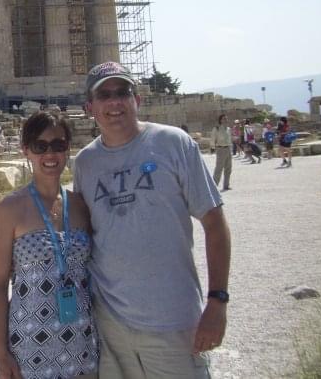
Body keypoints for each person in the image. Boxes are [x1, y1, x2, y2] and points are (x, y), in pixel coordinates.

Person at [74, 62, 231, 378]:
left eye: (123, 92)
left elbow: (214, 222)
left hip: (172, 320)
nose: (115, 102)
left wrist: (218, 301)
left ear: (137, 99)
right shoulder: (85, 163)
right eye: (104, 95)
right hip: (110, 325)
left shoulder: (173, 143)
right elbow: (87, 236)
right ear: (90, 107)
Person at [0, 112, 98, 378]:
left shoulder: (81, 207)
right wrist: (1, 353)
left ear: (67, 149)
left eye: (58, 145)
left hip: (82, 341)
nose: (50, 154)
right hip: (30, 343)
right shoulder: (8, 211)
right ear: (26, 150)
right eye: (40, 146)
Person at [211, 114, 233, 191]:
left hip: (228, 149)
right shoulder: (216, 129)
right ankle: (214, 186)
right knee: (219, 168)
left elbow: (229, 139)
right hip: (220, 149)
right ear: (220, 120)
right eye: (224, 119)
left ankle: (226, 185)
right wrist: (212, 148)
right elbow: (213, 138)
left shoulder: (229, 129)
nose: (226, 120)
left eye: (226, 118)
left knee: (228, 168)